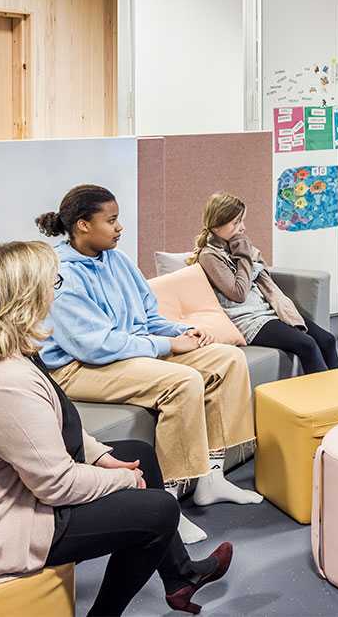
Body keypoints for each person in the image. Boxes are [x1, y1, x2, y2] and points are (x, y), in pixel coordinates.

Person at [0, 241, 233, 616]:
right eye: (52, 283)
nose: (54, 293)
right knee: (157, 511)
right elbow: (56, 485)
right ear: (23, 300)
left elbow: (55, 425)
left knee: (136, 453)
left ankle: (179, 577)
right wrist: (126, 481)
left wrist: (102, 457)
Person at [36, 184, 261, 545]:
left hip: (129, 351)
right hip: (78, 367)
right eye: (110, 221)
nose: (119, 227)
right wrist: (165, 345)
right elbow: (93, 345)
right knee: (183, 381)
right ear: (81, 225)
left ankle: (212, 478)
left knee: (228, 358)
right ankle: (168, 501)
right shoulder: (60, 274)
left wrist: (182, 330)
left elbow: (147, 315)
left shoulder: (117, 259)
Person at [190, 192, 338, 375]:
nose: (242, 228)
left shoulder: (234, 245)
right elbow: (238, 293)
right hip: (246, 320)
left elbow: (263, 279)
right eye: (236, 222)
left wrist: (246, 254)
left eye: (242, 221)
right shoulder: (210, 256)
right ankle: (324, 401)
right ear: (217, 224)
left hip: (267, 309)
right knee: (307, 345)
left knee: (327, 340)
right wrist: (244, 254)